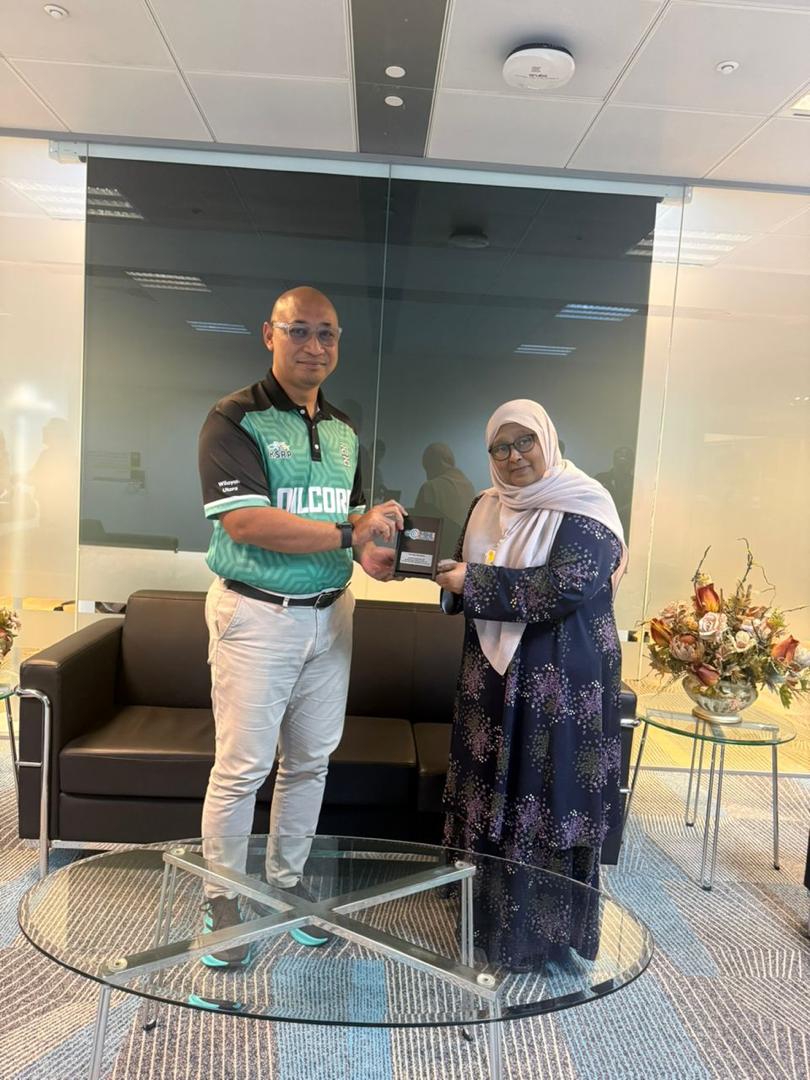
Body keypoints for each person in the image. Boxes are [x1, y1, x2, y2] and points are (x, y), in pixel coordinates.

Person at [197, 286, 403, 967]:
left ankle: (285, 885)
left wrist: (381, 555)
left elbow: (352, 529)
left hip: (330, 615)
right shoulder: (234, 419)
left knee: (310, 761)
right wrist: (349, 531)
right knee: (243, 768)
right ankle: (223, 896)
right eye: (299, 331)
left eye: (327, 334)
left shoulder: (343, 431)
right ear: (270, 334)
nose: (314, 346)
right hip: (258, 614)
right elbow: (245, 522)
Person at [435, 399, 627, 972]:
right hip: (490, 681)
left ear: (548, 441)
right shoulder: (483, 504)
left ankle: (538, 936)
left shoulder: (586, 506)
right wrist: (441, 575)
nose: (514, 456)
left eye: (525, 442)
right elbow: (464, 567)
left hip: (559, 685)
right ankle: (483, 913)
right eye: (500, 446)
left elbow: (563, 587)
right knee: (488, 786)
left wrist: (472, 582)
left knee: (543, 795)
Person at [413, 442, 476, 559]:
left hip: (436, 558)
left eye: (427, 467)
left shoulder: (430, 488)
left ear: (434, 463)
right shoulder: (468, 486)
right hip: (463, 557)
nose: (427, 473)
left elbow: (417, 533)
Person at [595, 445, 634, 536]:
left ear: (632, 463)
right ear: (614, 460)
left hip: (626, 529)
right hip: (602, 525)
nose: (623, 456)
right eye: (619, 455)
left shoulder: (635, 483)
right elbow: (591, 501)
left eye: (627, 456)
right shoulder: (601, 478)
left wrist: (619, 512)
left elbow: (638, 506)